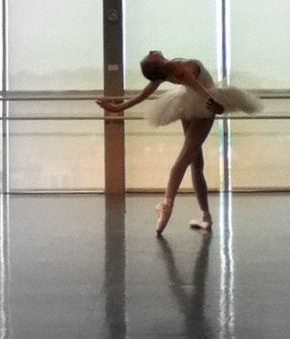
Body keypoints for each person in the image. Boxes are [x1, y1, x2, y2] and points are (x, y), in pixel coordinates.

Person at [96, 50, 262, 234]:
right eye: (150, 56)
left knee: (195, 163)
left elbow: (141, 97)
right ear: (157, 63)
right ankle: (167, 205)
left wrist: (116, 107)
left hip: (191, 105)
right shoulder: (178, 70)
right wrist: (218, 106)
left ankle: (204, 216)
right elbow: (201, 91)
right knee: (188, 161)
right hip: (202, 105)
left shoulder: (166, 72)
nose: (151, 51)